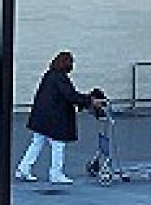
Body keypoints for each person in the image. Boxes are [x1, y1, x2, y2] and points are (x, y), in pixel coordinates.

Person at [16, 51, 106, 185]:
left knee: (37, 142)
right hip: (54, 119)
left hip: (41, 116)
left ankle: (24, 168)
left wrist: (86, 100)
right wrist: (90, 101)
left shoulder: (49, 75)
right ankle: (56, 174)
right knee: (58, 144)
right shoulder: (60, 78)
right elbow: (70, 96)